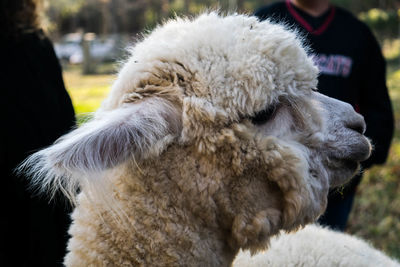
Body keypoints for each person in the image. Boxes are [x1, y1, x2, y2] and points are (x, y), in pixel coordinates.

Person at [255, 0, 394, 231]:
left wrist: (350, 164)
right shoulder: (263, 24)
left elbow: (379, 111)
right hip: (275, 189)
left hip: (336, 190)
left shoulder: (357, 34)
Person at [0, 0, 76, 266]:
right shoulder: (35, 46)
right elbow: (65, 127)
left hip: (37, 207)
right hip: (42, 213)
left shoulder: (36, 46)